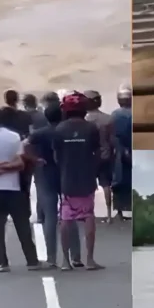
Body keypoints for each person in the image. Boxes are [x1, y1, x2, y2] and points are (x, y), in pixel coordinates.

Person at [0, 106, 43, 272]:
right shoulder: (14, 138)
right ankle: (32, 260)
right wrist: (9, 166)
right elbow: (20, 164)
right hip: (14, 188)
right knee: (22, 226)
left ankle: (2, 262)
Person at [26, 104, 84, 269]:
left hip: (45, 174)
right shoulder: (65, 131)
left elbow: (24, 145)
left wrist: (34, 159)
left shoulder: (40, 133)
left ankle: (51, 257)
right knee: (70, 215)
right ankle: (76, 256)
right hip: (66, 174)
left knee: (50, 217)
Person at [54, 91, 103, 270]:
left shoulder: (59, 129)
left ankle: (65, 262)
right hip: (87, 178)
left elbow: (56, 156)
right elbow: (97, 153)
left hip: (67, 179)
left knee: (66, 219)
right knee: (88, 216)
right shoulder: (91, 128)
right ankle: (90, 260)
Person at [84, 90, 117, 223]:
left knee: (88, 186)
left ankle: (88, 213)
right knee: (106, 185)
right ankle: (109, 214)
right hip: (105, 155)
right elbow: (112, 140)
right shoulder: (108, 119)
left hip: (88, 157)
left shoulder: (84, 120)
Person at [110, 85, 133, 219]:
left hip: (119, 152)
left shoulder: (115, 114)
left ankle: (119, 211)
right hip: (131, 150)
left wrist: (122, 151)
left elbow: (114, 136)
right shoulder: (132, 114)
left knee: (119, 181)